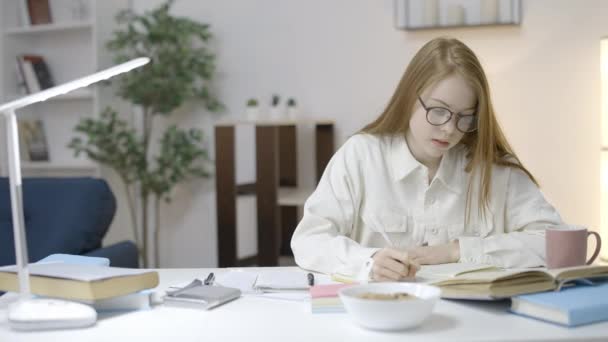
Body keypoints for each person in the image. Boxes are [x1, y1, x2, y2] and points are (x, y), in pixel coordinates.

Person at [290, 37, 562, 282]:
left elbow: (556, 242)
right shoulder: (361, 155)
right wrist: (368, 261)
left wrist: (457, 251)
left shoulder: (492, 169)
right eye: (438, 111)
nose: (449, 129)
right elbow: (309, 240)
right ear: (410, 97)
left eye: (465, 117)